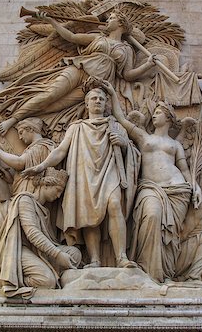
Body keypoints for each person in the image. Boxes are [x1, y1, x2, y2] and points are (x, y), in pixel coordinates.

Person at [22, 86, 140, 269]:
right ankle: (95, 260)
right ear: (86, 104)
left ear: (106, 104)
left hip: (109, 170)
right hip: (84, 173)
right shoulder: (77, 127)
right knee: (89, 215)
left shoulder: (115, 125)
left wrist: (124, 145)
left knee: (115, 205)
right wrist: (41, 166)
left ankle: (121, 257)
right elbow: (61, 151)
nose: (98, 101)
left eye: (101, 99)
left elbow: (131, 151)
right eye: (94, 98)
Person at [0, 10, 156, 136]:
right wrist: (52, 21)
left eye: (112, 18)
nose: (108, 20)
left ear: (121, 23)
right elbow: (70, 36)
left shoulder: (126, 49)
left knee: (57, 105)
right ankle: (12, 119)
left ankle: (27, 120)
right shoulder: (97, 38)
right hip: (79, 69)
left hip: (93, 85)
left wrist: (147, 65)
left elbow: (127, 75)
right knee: (50, 94)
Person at [102, 80, 202, 283]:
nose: (154, 115)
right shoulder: (143, 136)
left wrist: (196, 186)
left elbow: (184, 168)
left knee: (170, 233)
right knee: (152, 216)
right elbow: (121, 118)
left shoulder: (175, 144)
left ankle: (163, 274)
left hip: (178, 190)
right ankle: (148, 271)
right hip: (150, 188)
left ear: (168, 118)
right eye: (154, 112)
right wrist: (113, 93)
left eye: (158, 112)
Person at [0, 117, 55, 278]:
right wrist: (11, 179)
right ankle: (1, 269)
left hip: (27, 202)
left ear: (31, 130)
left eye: (21, 132)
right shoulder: (34, 148)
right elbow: (25, 176)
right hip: (22, 199)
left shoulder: (42, 146)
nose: (20, 137)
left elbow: (20, 163)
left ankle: (3, 271)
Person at [0, 168, 81, 297]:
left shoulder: (44, 210)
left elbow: (48, 240)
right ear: (46, 185)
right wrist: (58, 255)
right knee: (47, 281)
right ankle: (7, 280)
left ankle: (57, 276)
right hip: (18, 250)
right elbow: (33, 233)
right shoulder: (25, 200)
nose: (58, 195)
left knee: (74, 253)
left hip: (36, 251)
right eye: (58, 190)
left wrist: (60, 252)